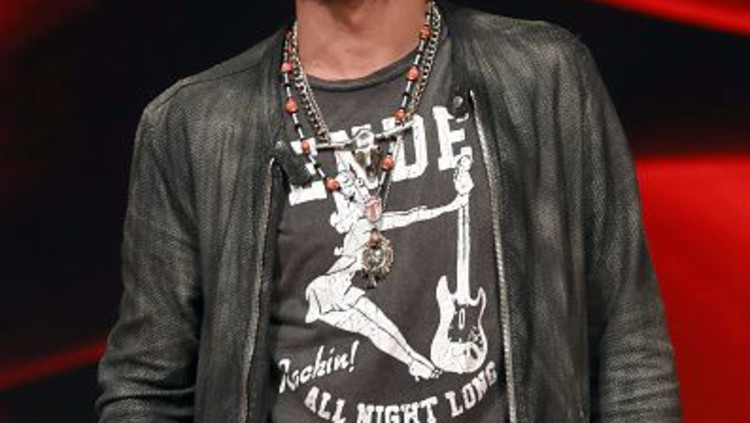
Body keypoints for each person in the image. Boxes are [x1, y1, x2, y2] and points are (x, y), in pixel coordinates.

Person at [95, 0, 682, 422]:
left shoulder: (543, 76)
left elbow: (629, 344)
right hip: (339, 291)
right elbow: (146, 385)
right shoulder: (193, 126)